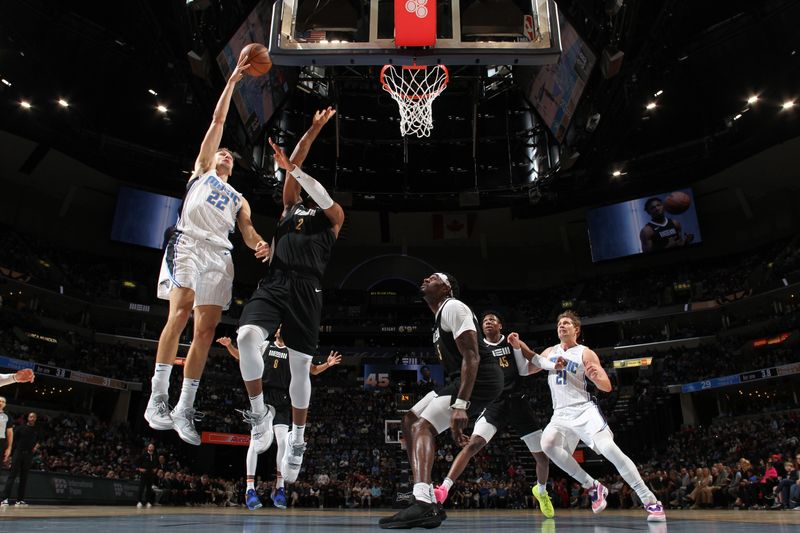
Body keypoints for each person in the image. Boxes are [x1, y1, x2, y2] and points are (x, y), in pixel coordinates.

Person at [144, 50, 270, 445]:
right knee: (179, 312)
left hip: (220, 255)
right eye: (222, 151)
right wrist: (232, 81)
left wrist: (259, 244)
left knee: (207, 330)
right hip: (187, 244)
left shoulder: (238, 197)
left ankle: (184, 407)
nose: (226, 153)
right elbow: (218, 121)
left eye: (230, 154)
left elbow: (246, 232)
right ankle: (157, 398)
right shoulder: (201, 173)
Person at [234, 107, 343, 482]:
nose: (299, 189)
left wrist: (295, 168)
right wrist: (311, 129)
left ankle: (297, 437)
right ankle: (258, 413)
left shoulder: (333, 218)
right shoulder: (288, 207)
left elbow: (315, 186)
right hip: (276, 280)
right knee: (246, 336)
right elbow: (292, 162)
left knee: (300, 366)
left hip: (307, 289)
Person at [379, 273, 503, 529]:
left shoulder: (454, 307)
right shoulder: (439, 317)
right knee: (409, 419)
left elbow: (472, 357)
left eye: (433, 277)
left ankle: (423, 503)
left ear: (445, 288)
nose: (426, 278)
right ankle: (421, 495)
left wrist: (460, 406)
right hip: (459, 378)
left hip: (482, 377)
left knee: (421, 427)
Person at [535, 311, 666, 522]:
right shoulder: (550, 351)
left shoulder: (585, 353)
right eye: (559, 323)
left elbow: (606, 386)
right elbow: (531, 365)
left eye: (566, 323)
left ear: (576, 329)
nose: (562, 325)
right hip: (559, 414)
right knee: (548, 445)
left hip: (584, 410)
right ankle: (593, 486)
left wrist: (597, 379)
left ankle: (650, 501)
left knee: (609, 449)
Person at [432, 312, 564, 518]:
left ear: (500, 325)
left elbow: (528, 364)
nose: (488, 322)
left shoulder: (512, 342)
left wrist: (548, 364)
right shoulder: (477, 348)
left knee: (542, 458)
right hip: (494, 404)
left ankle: (541, 491)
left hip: (518, 402)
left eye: (492, 320)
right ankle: (444, 488)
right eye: (484, 321)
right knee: (473, 444)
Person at [217, 327, 341, 510]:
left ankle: (280, 488)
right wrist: (229, 346)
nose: (282, 329)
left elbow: (313, 370)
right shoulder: (265, 345)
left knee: (282, 442)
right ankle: (250, 489)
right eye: (280, 327)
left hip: (283, 400)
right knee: (254, 442)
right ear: (275, 332)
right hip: (263, 399)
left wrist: (328, 364)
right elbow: (243, 359)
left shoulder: (294, 352)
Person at [1, 412, 39, 506]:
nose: (32, 418)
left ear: (36, 419)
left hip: (28, 455)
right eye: (30, 416)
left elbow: (40, 439)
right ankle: (4, 499)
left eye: (34, 417)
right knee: (12, 476)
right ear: (28, 418)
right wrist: (9, 453)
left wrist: (36, 446)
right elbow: (13, 439)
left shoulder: (37, 429)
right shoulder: (21, 427)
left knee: (24, 478)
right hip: (18, 453)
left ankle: (20, 500)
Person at [136, 442, 158, 508]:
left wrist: (155, 469)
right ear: (148, 448)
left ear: (154, 448)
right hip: (144, 474)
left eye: (152, 446)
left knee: (149, 489)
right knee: (141, 488)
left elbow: (157, 464)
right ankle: (139, 501)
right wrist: (140, 469)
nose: (151, 447)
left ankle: (148, 502)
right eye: (150, 446)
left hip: (151, 474)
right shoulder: (143, 455)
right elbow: (137, 463)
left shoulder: (155, 456)